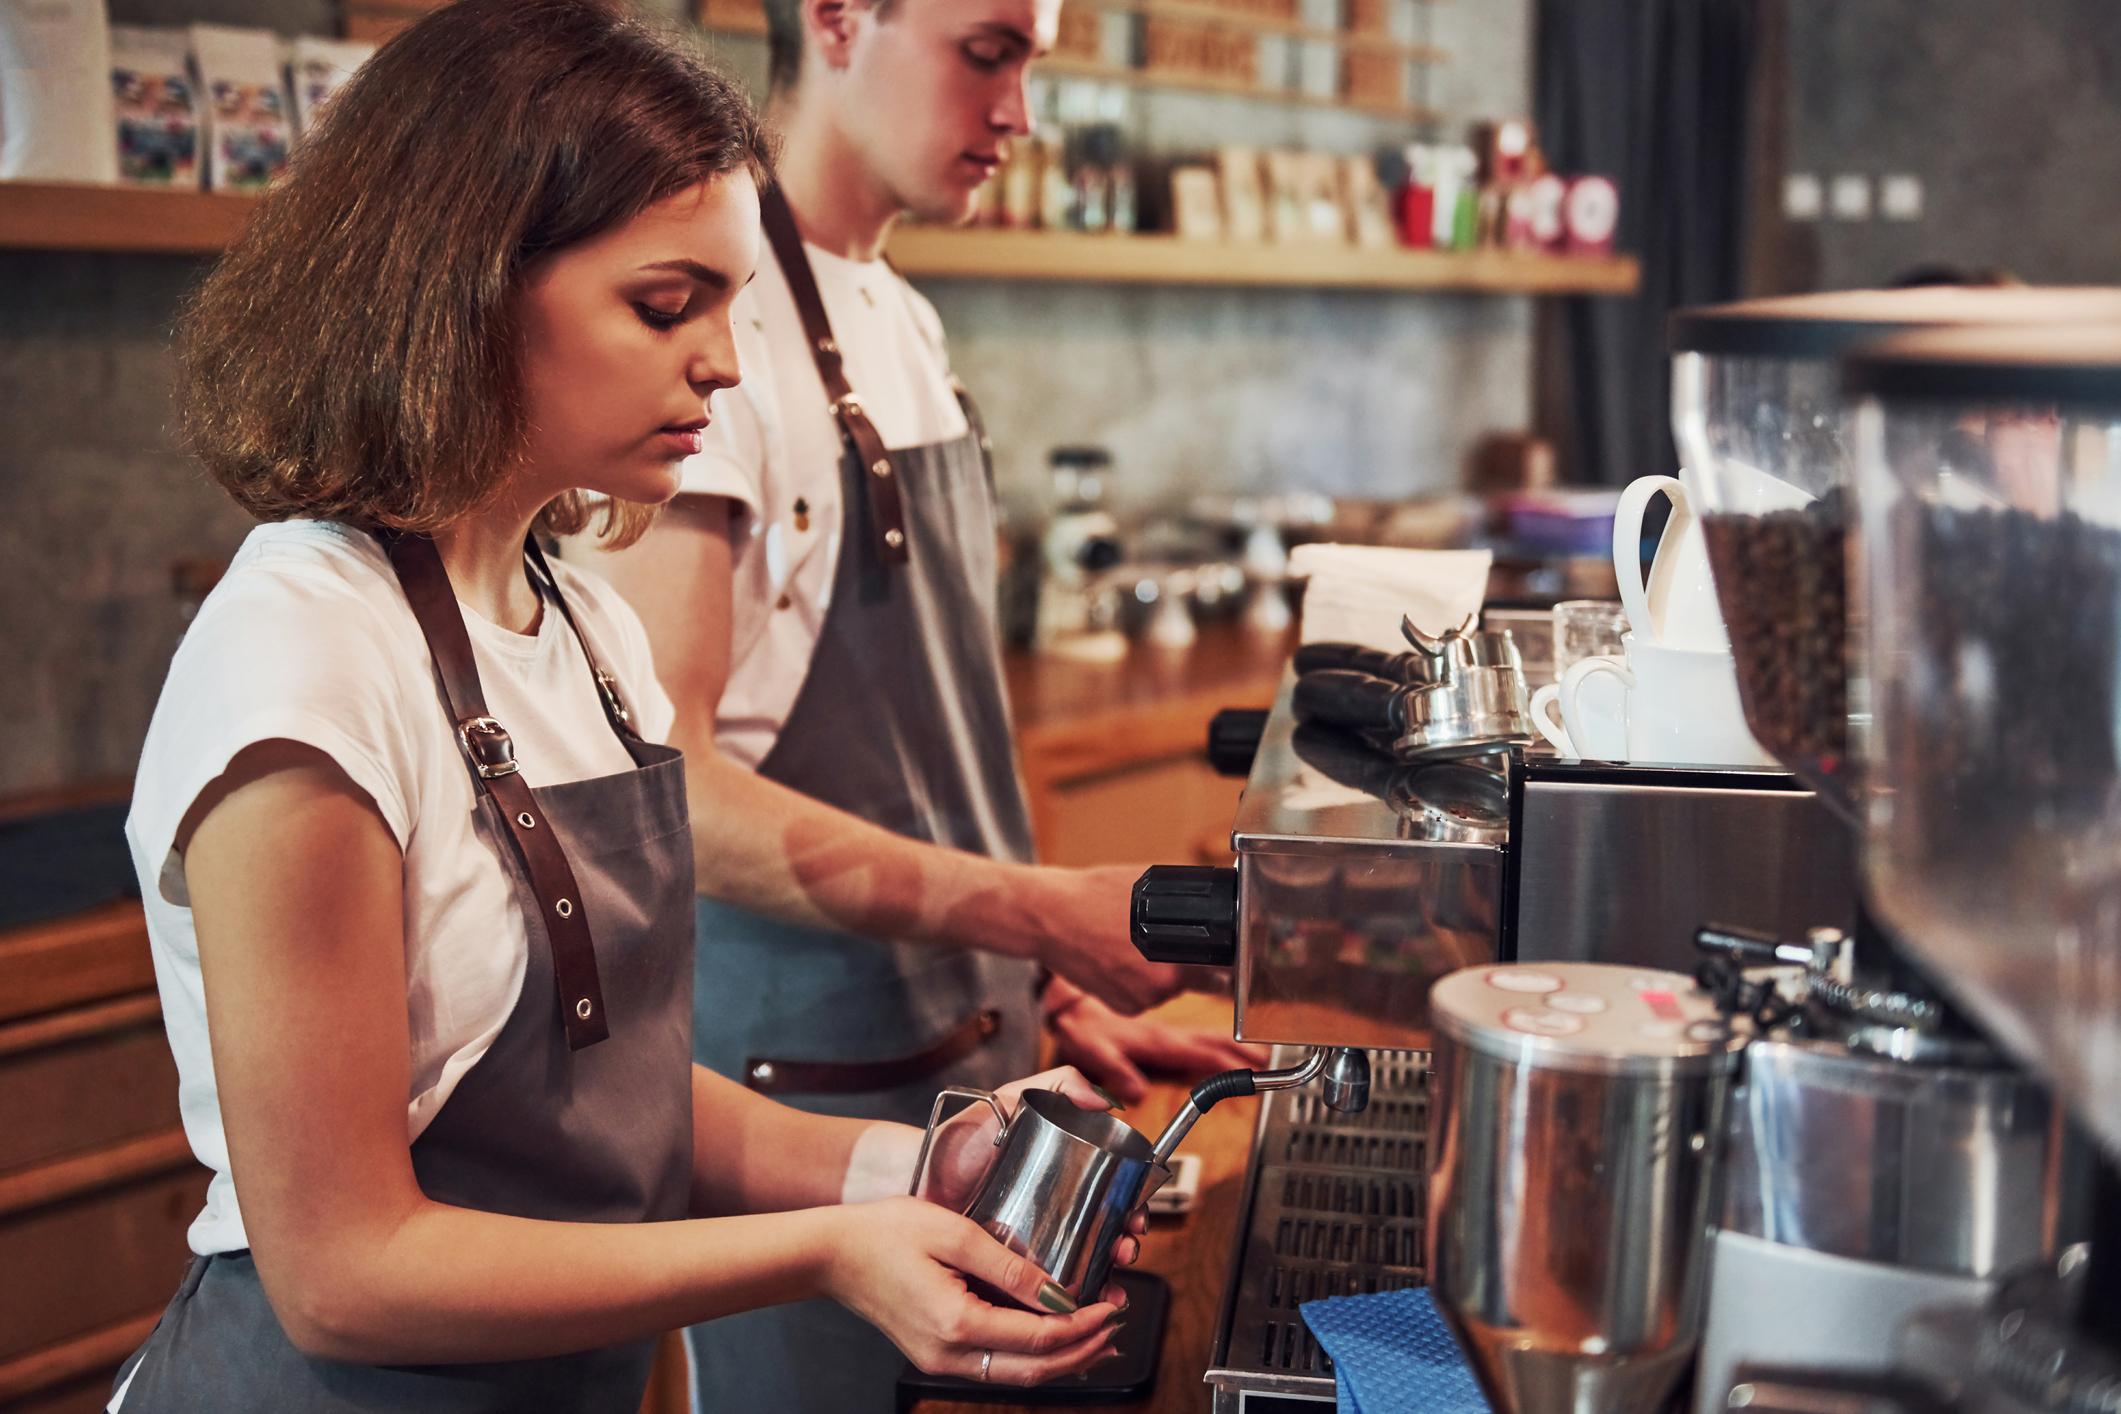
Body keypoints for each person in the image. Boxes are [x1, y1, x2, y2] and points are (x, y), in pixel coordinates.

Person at [107, 3, 1139, 1409]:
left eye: (725, 304)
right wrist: (824, 1251)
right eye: (667, 305)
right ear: (462, 284)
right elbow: (345, 1269)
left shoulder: (582, 620)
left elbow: (620, 1102)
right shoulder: (302, 663)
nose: (721, 359)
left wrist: (911, 1166)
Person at [583, 0, 1262, 1407]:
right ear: (836, 19)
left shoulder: (894, 313)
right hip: (805, 1101)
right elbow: (676, 792)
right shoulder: (721, 336)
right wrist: (1036, 906)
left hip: (968, 1070)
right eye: (989, 50)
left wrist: (1042, 986)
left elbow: (924, 745)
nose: (1021, 113)